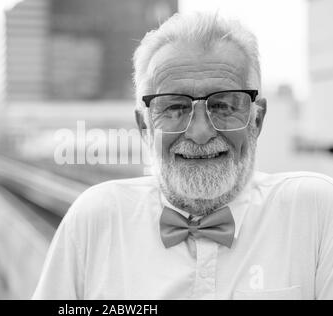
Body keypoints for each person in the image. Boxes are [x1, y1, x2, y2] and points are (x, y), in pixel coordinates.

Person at [32, 12, 333, 300]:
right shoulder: (94, 218)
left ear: (256, 120)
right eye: (175, 108)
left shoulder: (316, 211)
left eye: (224, 105)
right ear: (144, 127)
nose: (200, 133)